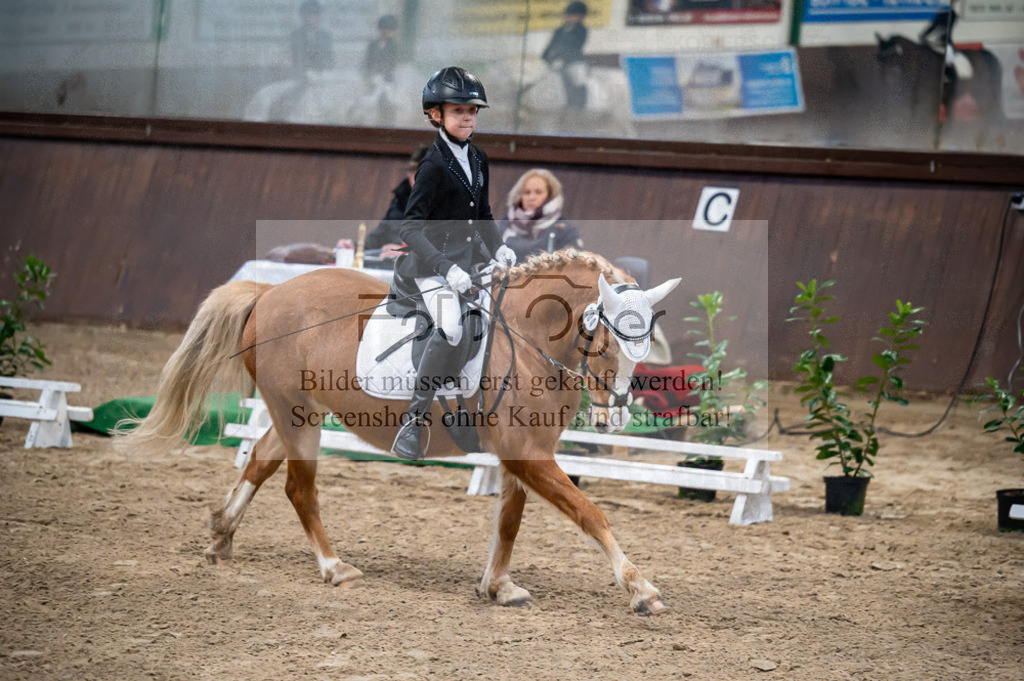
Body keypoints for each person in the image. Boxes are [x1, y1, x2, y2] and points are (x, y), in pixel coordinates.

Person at [390, 66, 517, 461]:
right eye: (459, 111)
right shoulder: (431, 165)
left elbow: (483, 214)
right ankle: (413, 421)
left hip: (470, 266)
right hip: (431, 269)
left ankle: (465, 409)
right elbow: (410, 228)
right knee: (452, 327)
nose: (468, 118)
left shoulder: (478, 158)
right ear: (436, 115)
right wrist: (447, 269)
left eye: (473, 111)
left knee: (493, 322)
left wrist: (499, 248)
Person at [500, 169, 583, 262]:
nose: (531, 197)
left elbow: (573, 264)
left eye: (538, 192)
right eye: (527, 192)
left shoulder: (564, 229)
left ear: (550, 196)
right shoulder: (505, 225)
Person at [365, 146, 428, 261]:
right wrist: (355, 248)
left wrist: (407, 252)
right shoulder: (402, 199)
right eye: (412, 173)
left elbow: (447, 247)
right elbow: (379, 235)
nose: (415, 179)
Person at [542, 1, 589, 111]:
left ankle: (579, 107)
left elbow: (575, 45)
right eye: (572, 15)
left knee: (578, 82)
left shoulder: (581, 30)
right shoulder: (560, 30)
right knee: (564, 86)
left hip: (575, 62)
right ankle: (569, 106)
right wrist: (546, 57)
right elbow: (552, 44)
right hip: (559, 62)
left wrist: (563, 57)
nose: (574, 18)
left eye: (578, 16)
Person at [291, 0, 334, 74]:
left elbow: (329, 61)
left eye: (320, 15)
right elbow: (296, 61)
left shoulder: (326, 36)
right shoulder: (296, 36)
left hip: (323, 76)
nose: (319, 18)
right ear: (306, 16)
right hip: (301, 76)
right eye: (316, 15)